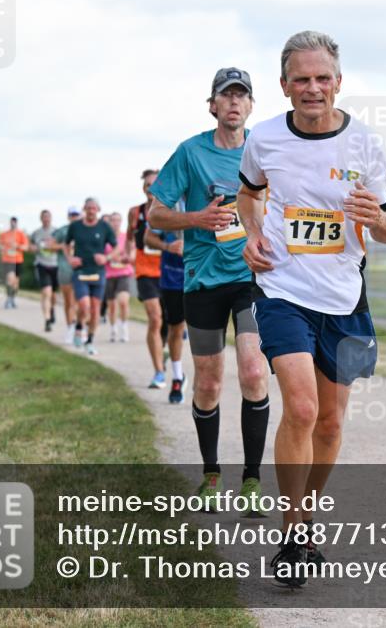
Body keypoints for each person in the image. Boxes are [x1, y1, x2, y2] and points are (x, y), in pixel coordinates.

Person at [238, 31, 386, 587]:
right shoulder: (263, 139)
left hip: (344, 297)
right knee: (303, 410)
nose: (313, 88)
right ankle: (291, 532)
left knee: (331, 422)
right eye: (301, 79)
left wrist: (376, 218)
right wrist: (252, 233)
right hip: (283, 290)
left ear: (338, 82)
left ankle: (307, 515)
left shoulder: (366, 144)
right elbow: (248, 192)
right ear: (284, 87)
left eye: (322, 78)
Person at [148, 66, 271, 516]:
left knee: (255, 372)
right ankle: (211, 474)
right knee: (209, 380)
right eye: (227, 96)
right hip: (202, 281)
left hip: (253, 278)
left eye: (242, 96)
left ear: (252, 106)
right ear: (213, 105)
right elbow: (156, 216)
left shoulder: (266, 148)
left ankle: (253, 480)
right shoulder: (190, 152)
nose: (235, 103)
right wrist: (197, 219)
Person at [144, 209, 188, 403]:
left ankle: (206, 377)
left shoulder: (211, 194)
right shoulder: (168, 202)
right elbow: (148, 238)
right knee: (175, 328)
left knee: (203, 331)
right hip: (173, 279)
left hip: (204, 275)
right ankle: (177, 377)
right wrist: (168, 246)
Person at [64, 198, 117, 355]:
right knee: (84, 305)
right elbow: (66, 245)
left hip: (98, 272)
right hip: (80, 271)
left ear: (98, 209)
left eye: (94, 208)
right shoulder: (75, 226)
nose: (91, 210)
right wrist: (70, 259)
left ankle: (90, 340)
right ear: (84, 209)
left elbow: (116, 248)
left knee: (95, 309)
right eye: (88, 208)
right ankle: (79, 327)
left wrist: (106, 258)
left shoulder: (104, 227)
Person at [129, 171, 167, 388]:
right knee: (155, 318)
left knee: (170, 325)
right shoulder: (135, 212)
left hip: (168, 273)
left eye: (154, 184)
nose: (150, 189)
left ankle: (164, 352)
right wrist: (126, 252)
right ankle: (159, 371)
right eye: (147, 185)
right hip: (144, 271)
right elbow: (129, 236)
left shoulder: (170, 209)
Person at [103, 211, 134, 342]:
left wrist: (127, 258)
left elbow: (132, 253)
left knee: (123, 301)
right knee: (112, 306)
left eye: (117, 220)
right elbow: (100, 255)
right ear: (109, 222)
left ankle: (124, 327)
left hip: (124, 273)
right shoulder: (105, 238)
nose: (115, 223)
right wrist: (109, 258)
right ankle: (113, 328)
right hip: (109, 274)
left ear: (121, 222)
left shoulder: (126, 237)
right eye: (113, 220)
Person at [54, 207, 84, 344]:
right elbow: (49, 245)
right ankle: (70, 328)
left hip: (81, 269)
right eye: (72, 215)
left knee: (81, 301)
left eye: (76, 214)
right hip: (65, 268)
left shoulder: (85, 228)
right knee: (68, 301)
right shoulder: (62, 230)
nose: (74, 217)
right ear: (68, 216)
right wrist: (64, 246)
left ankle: (79, 328)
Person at [30, 209, 61, 332]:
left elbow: (63, 246)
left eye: (48, 217)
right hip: (42, 264)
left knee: (53, 295)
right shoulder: (36, 233)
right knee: (46, 293)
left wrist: (52, 247)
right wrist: (32, 248)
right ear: (41, 219)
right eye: (44, 217)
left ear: (51, 218)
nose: (46, 219)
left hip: (55, 265)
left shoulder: (57, 232)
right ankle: (47, 320)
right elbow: (30, 246)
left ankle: (52, 309)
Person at [0, 217, 29, 309]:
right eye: (11, 222)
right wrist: (3, 248)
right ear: (10, 223)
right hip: (7, 260)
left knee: (15, 283)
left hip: (18, 260)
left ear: (16, 223)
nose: (13, 224)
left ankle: (12, 298)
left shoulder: (21, 234)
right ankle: (8, 299)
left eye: (14, 223)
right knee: (9, 279)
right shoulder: (4, 234)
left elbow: (26, 247)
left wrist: (18, 246)